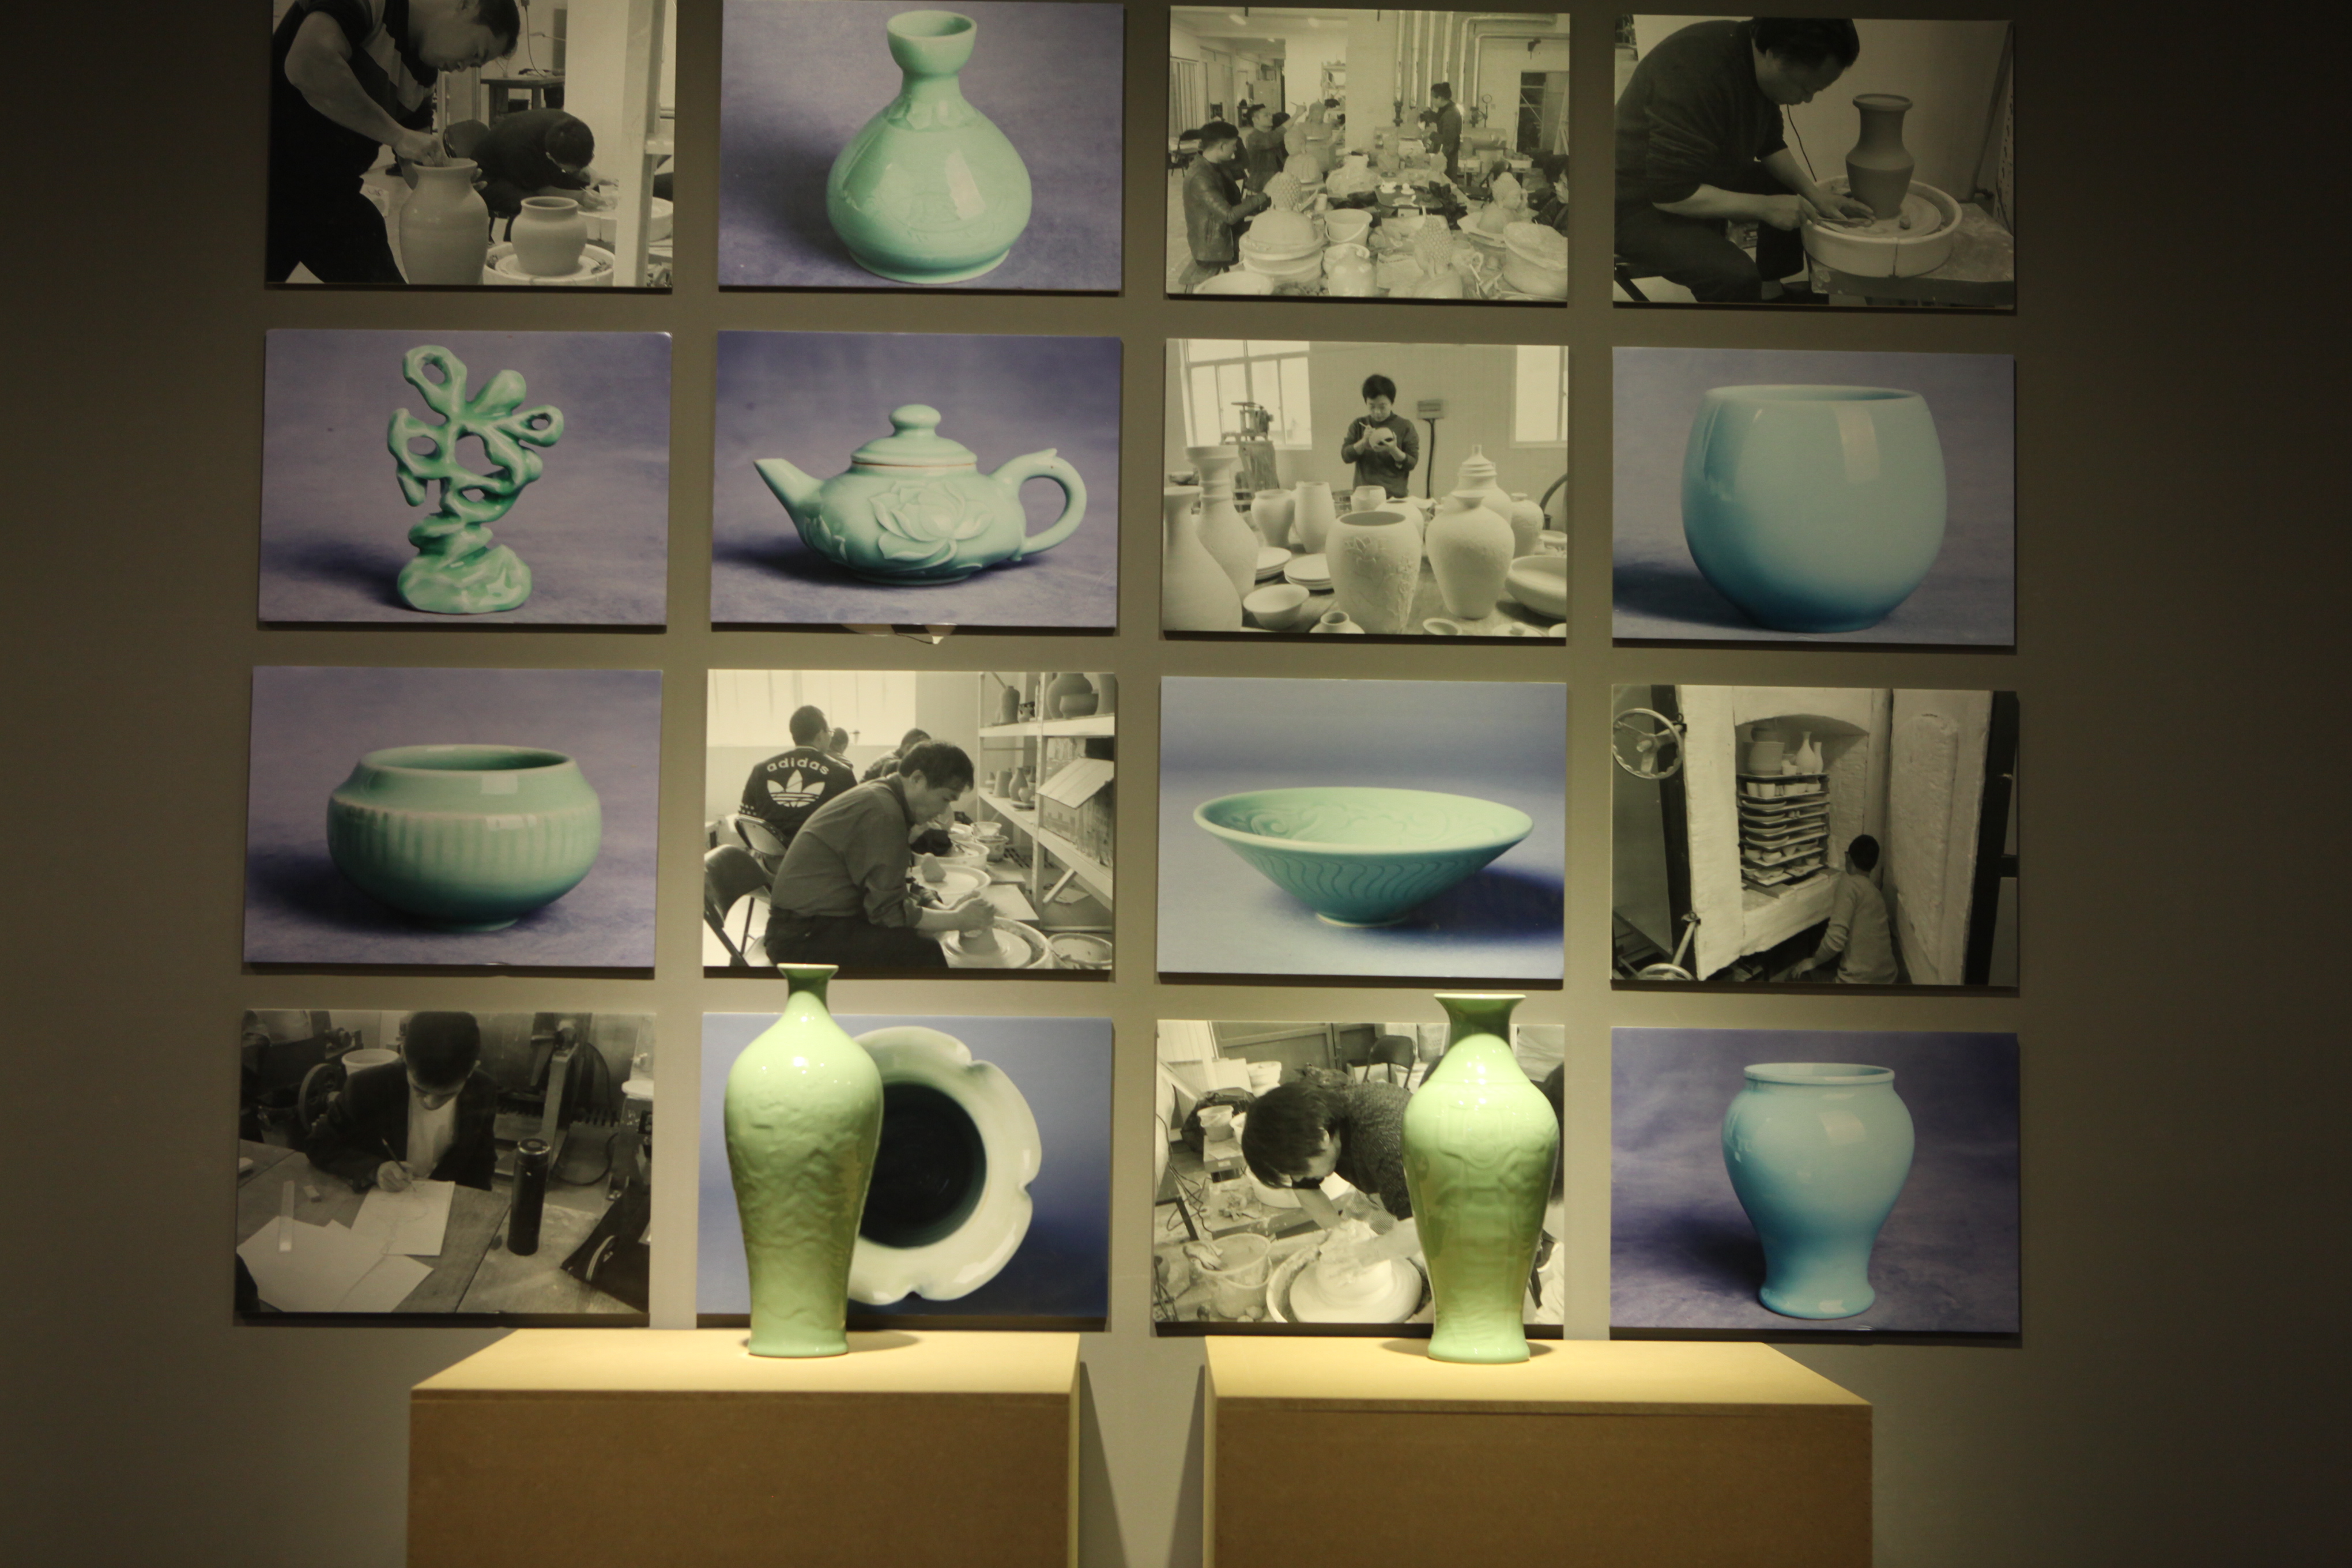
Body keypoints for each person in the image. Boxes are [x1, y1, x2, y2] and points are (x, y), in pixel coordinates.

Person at [1613, 17, 1876, 303]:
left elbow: (1770, 143)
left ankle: (1771, 293)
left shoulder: (1754, 57)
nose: (1808, 99)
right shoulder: (1695, 73)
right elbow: (1670, 194)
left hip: (1699, 172)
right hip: (1632, 201)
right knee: (1735, 277)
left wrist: (1816, 195)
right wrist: (1764, 207)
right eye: (1805, 88)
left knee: (1789, 191)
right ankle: (1744, 321)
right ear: (1774, 55)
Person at [267, 0, 523, 283]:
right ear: (465, 6)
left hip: (326, 195)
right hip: (261, 182)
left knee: (387, 298)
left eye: (475, 65)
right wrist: (398, 135)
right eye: (476, 53)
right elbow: (307, 64)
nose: (463, 67)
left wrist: (448, 183)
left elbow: (415, 163)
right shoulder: (373, 5)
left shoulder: (423, 77)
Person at [764, 741, 996, 970]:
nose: (944, 811)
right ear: (917, 779)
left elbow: (898, 883)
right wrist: (957, 919)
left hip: (815, 922)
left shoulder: (884, 797)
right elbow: (888, 914)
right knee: (924, 951)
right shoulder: (883, 813)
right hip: (800, 936)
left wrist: (945, 911)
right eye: (945, 799)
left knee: (926, 922)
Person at [304, 1012, 497, 1192]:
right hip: (385, 1198)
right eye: (420, 1090)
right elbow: (319, 1144)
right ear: (404, 1054)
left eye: (447, 1095)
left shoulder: (483, 1090)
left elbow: (483, 1160)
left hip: (445, 1198)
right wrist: (374, 1169)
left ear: (472, 1069)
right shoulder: (366, 1087)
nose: (430, 1103)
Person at [1241, 1078, 1422, 1265]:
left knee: (1412, 1259)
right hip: (1380, 1182)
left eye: (1297, 1171)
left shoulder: (1384, 1144)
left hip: (1430, 1189)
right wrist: (1341, 1235)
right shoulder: (1312, 1121)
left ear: (1322, 1138)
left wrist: (1364, 1255)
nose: (1298, 1178)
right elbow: (1305, 1189)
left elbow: (1417, 1229)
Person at [738, 704, 856, 855]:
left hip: (772, 861)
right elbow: (854, 823)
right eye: (829, 732)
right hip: (820, 860)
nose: (830, 736)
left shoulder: (760, 770)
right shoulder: (841, 772)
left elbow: (746, 820)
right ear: (820, 735)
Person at [457, 104, 601, 221]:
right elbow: (541, 190)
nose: (574, 171)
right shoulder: (520, 149)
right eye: (571, 168)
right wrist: (580, 197)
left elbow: (578, 165)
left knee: (586, 186)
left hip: (524, 165)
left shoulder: (570, 127)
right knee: (536, 206)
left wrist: (591, 175)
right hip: (490, 179)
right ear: (551, 157)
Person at [1178, 121, 1269, 293]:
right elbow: (1229, 216)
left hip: (1225, 231)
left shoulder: (1217, 164)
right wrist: (1264, 195)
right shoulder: (1200, 176)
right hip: (1213, 246)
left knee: (1267, 225)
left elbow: (1245, 162)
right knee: (1269, 238)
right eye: (1233, 145)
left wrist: (1236, 139)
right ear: (1221, 146)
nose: (1236, 149)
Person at [1799, 834, 1898, 983]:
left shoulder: (1848, 884)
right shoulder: (1875, 892)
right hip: (1889, 978)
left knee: (1797, 976)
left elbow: (1835, 940)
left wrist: (1813, 961)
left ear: (1848, 857)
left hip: (1859, 983)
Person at [1340, 375, 1419, 499]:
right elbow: (1346, 456)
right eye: (1372, 406)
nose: (1377, 412)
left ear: (1391, 403)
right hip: (1364, 496)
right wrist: (1363, 442)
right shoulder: (1359, 424)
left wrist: (1393, 449)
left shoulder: (1405, 426)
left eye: (1383, 407)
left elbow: (1412, 463)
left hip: (1394, 497)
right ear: (1366, 402)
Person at [1241, 105, 1287, 194]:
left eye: (1271, 115)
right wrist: (1297, 115)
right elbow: (1274, 137)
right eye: (1266, 115)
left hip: (1276, 186)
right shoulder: (1253, 138)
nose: (1271, 117)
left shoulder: (1271, 137)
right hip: (1260, 189)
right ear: (1255, 120)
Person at [861, 727, 932, 781]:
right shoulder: (893, 764)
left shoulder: (892, 756)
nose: (923, 758)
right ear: (908, 748)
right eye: (920, 752)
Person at [1430, 82, 1464, 182]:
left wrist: (1431, 135)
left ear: (1439, 99)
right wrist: (1428, 113)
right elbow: (1440, 119)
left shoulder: (1451, 114)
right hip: (1448, 149)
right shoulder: (1447, 108)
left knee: (1446, 181)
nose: (1431, 100)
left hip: (1449, 151)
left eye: (1433, 98)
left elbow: (1447, 139)